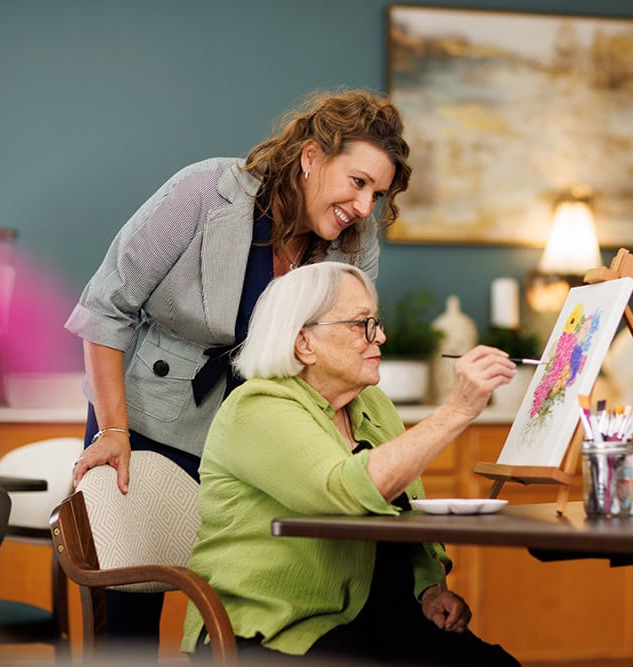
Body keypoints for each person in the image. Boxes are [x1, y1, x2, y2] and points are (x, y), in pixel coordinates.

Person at [64, 89, 411, 644]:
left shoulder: (354, 239)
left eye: (379, 193)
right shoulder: (203, 191)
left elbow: (338, 350)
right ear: (311, 156)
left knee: (249, 594)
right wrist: (111, 430)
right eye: (358, 182)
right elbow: (106, 306)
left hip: (259, 439)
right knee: (127, 624)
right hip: (141, 422)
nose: (366, 207)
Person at [182, 262, 521, 665]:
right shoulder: (257, 407)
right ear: (304, 342)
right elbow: (344, 491)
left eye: (375, 322)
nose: (381, 336)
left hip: (383, 620)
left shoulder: (372, 405)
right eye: (362, 324)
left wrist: (429, 590)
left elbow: (405, 509)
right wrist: (457, 410)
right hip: (279, 627)